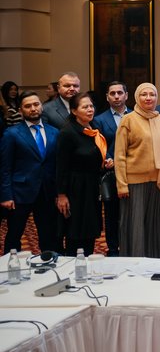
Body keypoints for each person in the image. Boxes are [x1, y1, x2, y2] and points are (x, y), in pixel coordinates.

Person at [115, 83, 160, 258]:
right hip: (135, 184)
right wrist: (121, 184)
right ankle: (136, 261)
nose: (148, 98)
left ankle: (157, 259)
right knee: (137, 226)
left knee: (159, 225)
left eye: (152, 94)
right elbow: (119, 155)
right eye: (144, 94)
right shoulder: (128, 120)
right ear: (137, 97)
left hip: (158, 181)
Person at [0, 91, 60, 253]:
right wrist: (6, 195)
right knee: (14, 234)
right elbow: (5, 168)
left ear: (41, 106)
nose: (33, 109)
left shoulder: (54, 132)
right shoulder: (11, 134)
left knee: (48, 234)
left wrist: (59, 192)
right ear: (21, 111)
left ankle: (48, 263)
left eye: (36, 104)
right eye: (28, 106)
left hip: (47, 192)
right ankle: (11, 264)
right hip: (20, 192)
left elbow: (56, 165)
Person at [55, 93, 111, 256]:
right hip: (75, 188)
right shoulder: (67, 132)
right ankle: (74, 263)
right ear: (74, 111)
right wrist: (61, 195)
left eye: (91, 106)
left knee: (89, 230)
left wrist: (106, 161)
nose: (90, 110)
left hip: (92, 187)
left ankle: (87, 262)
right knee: (76, 231)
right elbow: (61, 166)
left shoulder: (93, 129)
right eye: (85, 107)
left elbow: (94, 155)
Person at [93, 81, 130, 256]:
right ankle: (113, 248)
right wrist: (109, 159)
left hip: (133, 172)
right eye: (112, 93)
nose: (116, 96)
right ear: (107, 97)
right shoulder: (99, 120)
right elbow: (99, 144)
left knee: (131, 212)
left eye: (120, 93)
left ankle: (130, 246)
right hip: (111, 172)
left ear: (126, 95)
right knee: (112, 213)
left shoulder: (136, 115)